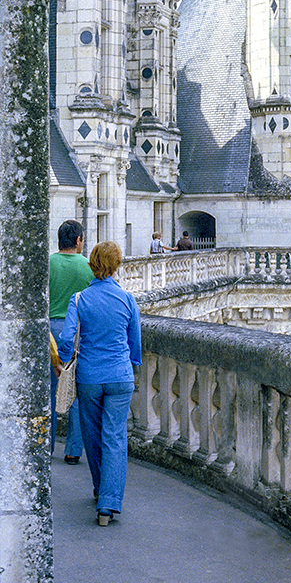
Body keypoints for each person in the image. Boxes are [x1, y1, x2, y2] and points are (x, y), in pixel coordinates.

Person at [58, 241, 142, 526]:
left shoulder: (79, 299)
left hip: (90, 376)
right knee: (115, 438)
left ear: (92, 265)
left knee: (92, 436)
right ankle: (109, 502)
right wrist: (130, 364)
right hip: (120, 375)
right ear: (117, 265)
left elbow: (66, 338)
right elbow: (135, 342)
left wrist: (64, 361)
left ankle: (99, 489)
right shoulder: (127, 299)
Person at [50, 219, 93, 462]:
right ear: (78, 240)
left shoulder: (48, 263)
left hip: (48, 330)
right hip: (75, 330)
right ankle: (73, 450)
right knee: (75, 390)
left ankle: (45, 446)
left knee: (49, 389)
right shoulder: (87, 266)